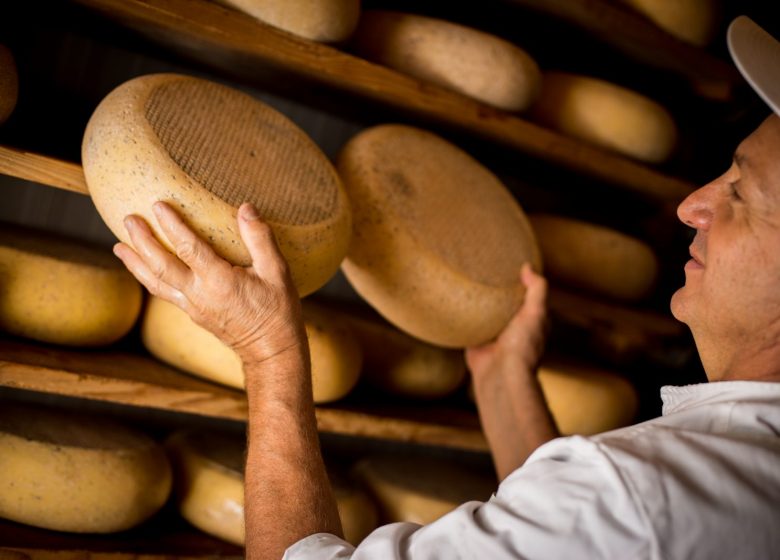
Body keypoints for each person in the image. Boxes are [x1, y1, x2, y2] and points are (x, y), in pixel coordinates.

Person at [113, 15, 780, 560]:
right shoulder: (714, 478)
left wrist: (268, 351)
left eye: (741, 192)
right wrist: (502, 379)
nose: (691, 205)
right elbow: (589, 534)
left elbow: (614, 517)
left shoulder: (642, 494)